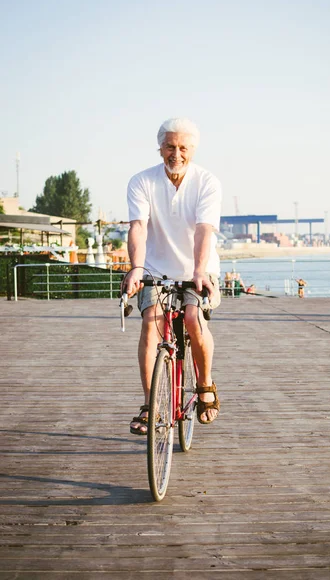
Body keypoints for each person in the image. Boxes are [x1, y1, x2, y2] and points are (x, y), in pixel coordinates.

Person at [121, 118, 222, 435]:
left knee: (193, 318)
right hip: (154, 268)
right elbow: (137, 227)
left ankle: (205, 385)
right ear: (160, 148)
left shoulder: (207, 182)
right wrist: (137, 267)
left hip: (197, 268)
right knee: (151, 324)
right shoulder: (142, 181)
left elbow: (204, 230)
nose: (175, 153)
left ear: (192, 149)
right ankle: (150, 404)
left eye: (182, 147)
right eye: (169, 146)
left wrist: (199, 270)